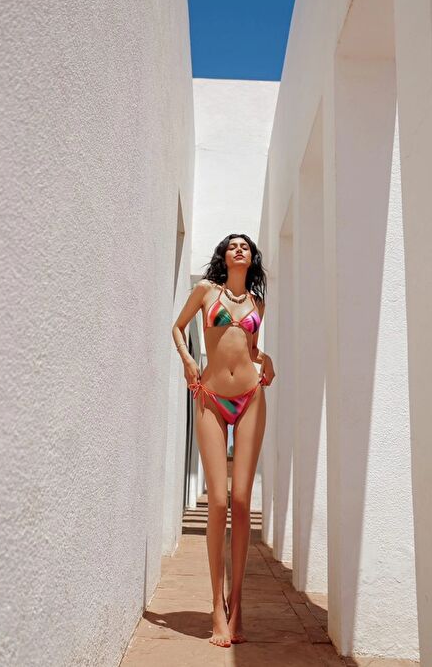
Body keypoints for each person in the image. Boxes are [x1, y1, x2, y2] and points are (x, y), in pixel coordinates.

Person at [172, 233, 276, 647]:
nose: (238, 249)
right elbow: (177, 328)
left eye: (245, 246)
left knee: (242, 501)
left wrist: (267, 360)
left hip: (251, 397)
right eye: (232, 245)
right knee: (217, 501)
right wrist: (187, 362)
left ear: (251, 258)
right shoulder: (205, 292)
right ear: (224, 255)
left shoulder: (257, 303)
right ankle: (216, 605)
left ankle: (238, 604)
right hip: (211, 398)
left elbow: (250, 350)